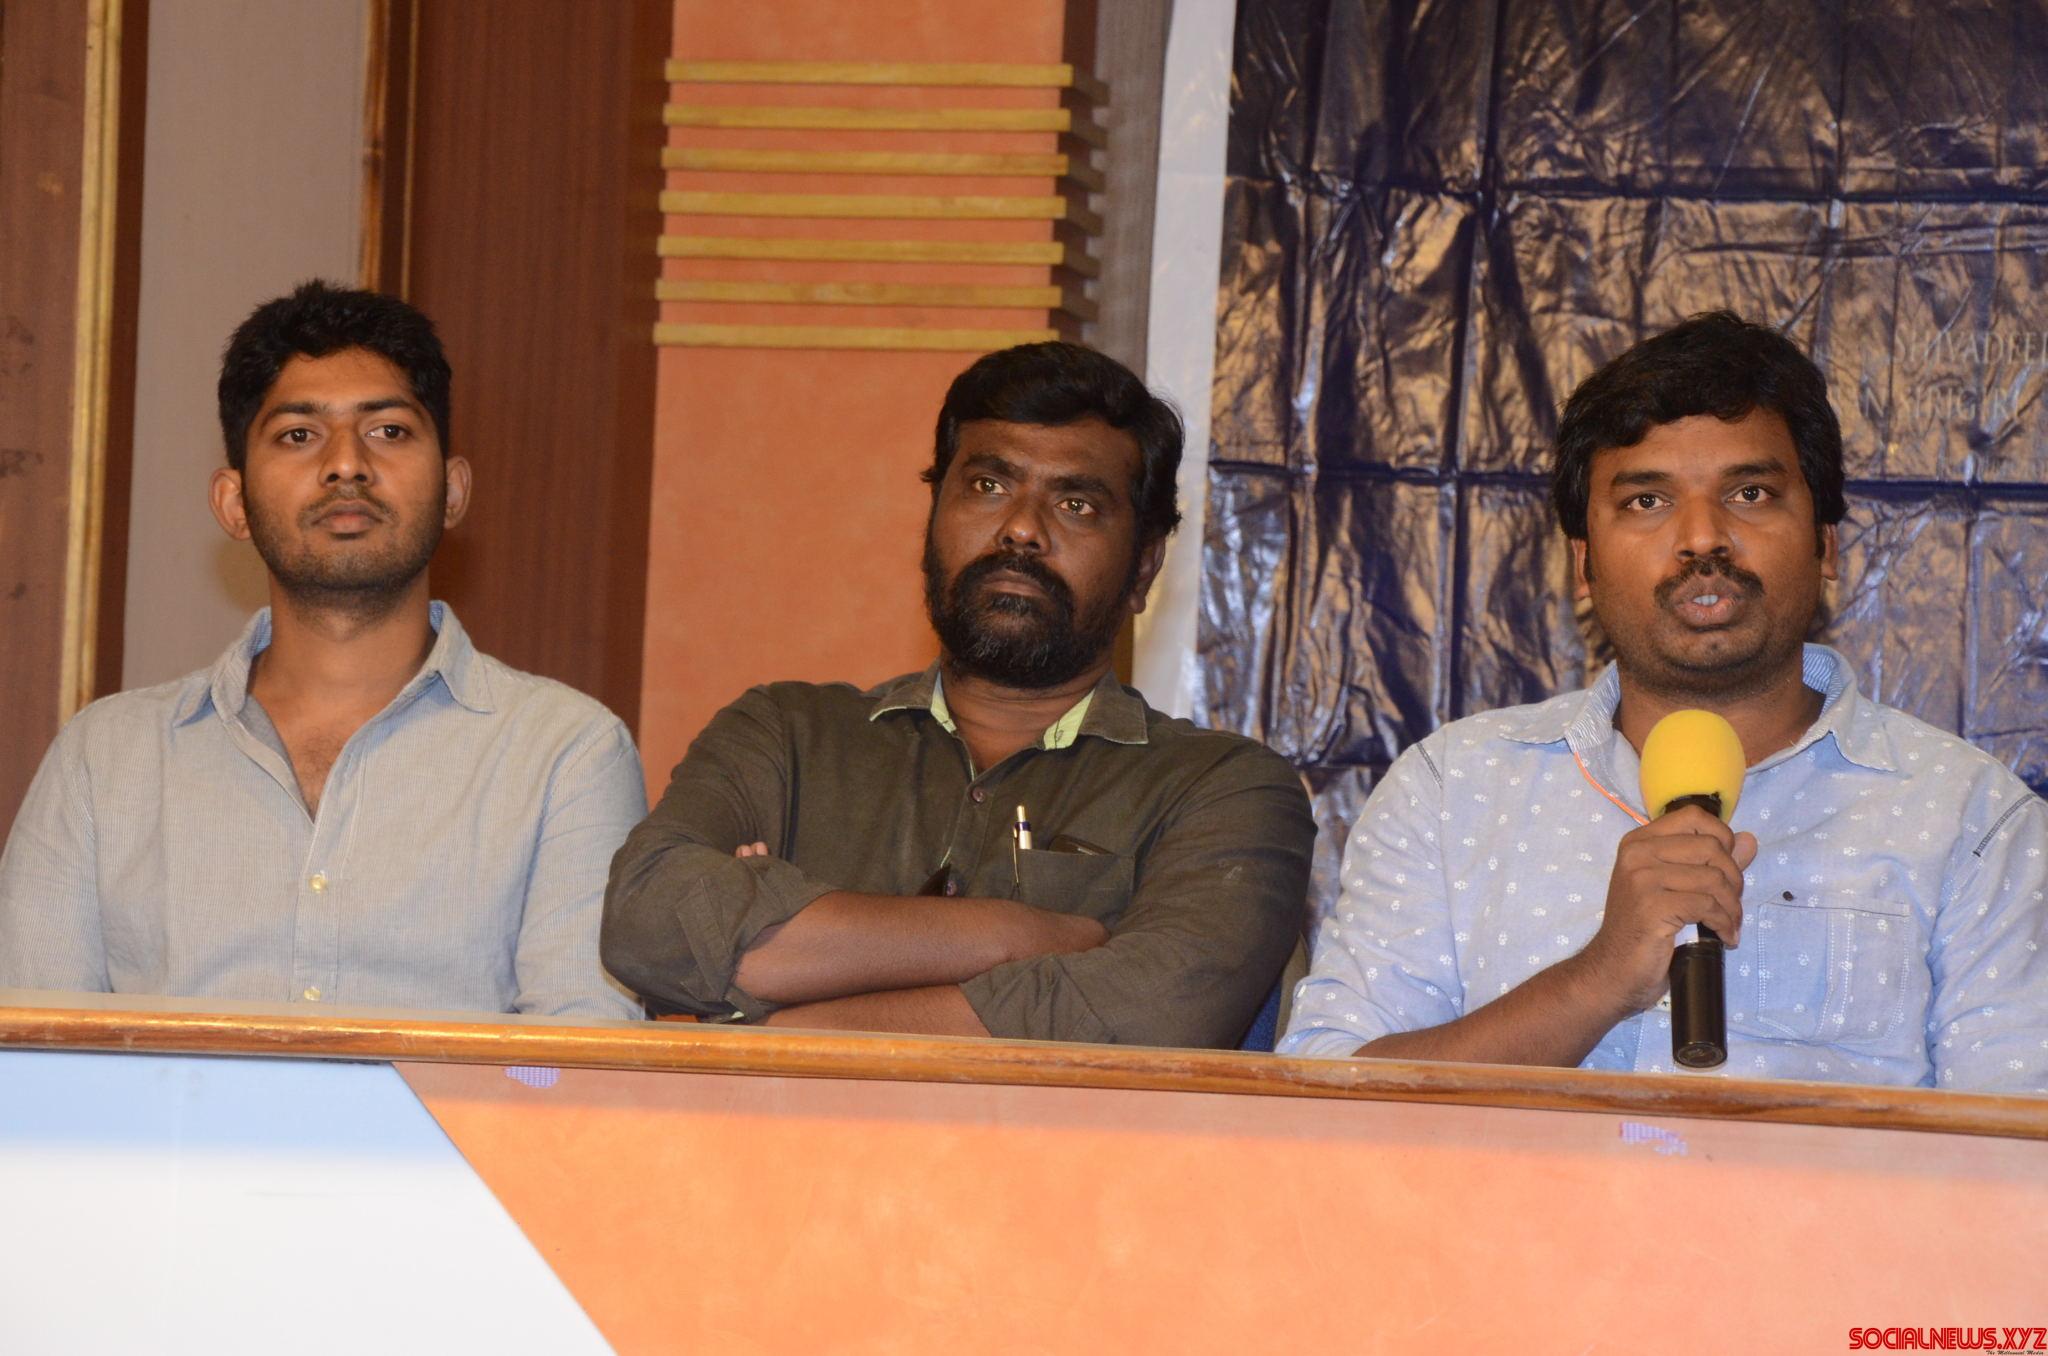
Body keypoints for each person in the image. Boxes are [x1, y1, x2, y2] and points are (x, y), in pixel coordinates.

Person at [1280, 311, 2048, 1091]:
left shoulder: (1969, 817)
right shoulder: (1452, 791)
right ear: (1583, 563)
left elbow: (2018, 1139)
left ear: (1825, 544)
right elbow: (1325, 1095)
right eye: (1647, 501)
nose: (1702, 538)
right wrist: (1598, 980)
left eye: (1750, 492)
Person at [603, 342, 1314, 1045]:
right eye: (988, 487)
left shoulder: (1224, 789)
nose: (1021, 529)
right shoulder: (785, 735)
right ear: (932, 518)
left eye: (1075, 504)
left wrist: (778, 1009)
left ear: (1144, 568)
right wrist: (1015, 934)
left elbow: (1151, 1012)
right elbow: (645, 922)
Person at [0, 281, 643, 1018]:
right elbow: (33, 1052)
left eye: (389, 431)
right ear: (234, 503)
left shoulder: (567, 754)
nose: (347, 465)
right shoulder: (105, 759)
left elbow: (577, 1061)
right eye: (299, 435)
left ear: (453, 490)